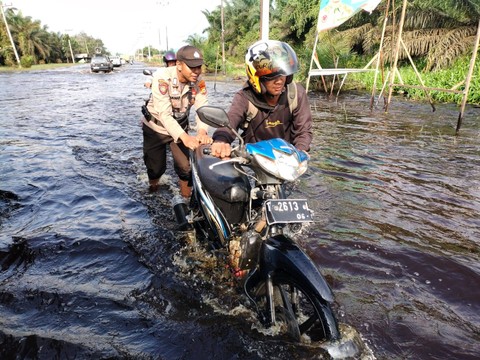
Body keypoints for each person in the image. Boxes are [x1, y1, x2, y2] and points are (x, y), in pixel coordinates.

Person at [210, 40, 312, 159]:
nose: (279, 81)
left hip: (285, 159)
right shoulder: (244, 97)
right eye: (271, 76)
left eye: (283, 74)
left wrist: (300, 151)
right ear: (257, 78)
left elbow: (303, 130)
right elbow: (232, 118)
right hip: (253, 159)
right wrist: (221, 139)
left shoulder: (296, 94)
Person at [142, 45, 212, 195]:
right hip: (156, 128)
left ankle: (186, 200)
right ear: (179, 65)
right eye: (192, 67)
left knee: (186, 167)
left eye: (199, 67)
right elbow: (164, 115)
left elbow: (203, 108)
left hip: (180, 125)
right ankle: (152, 189)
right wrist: (185, 138)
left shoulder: (198, 82)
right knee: (155, 169)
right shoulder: (162, 78)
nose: (196, 71)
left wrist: (202, 131)